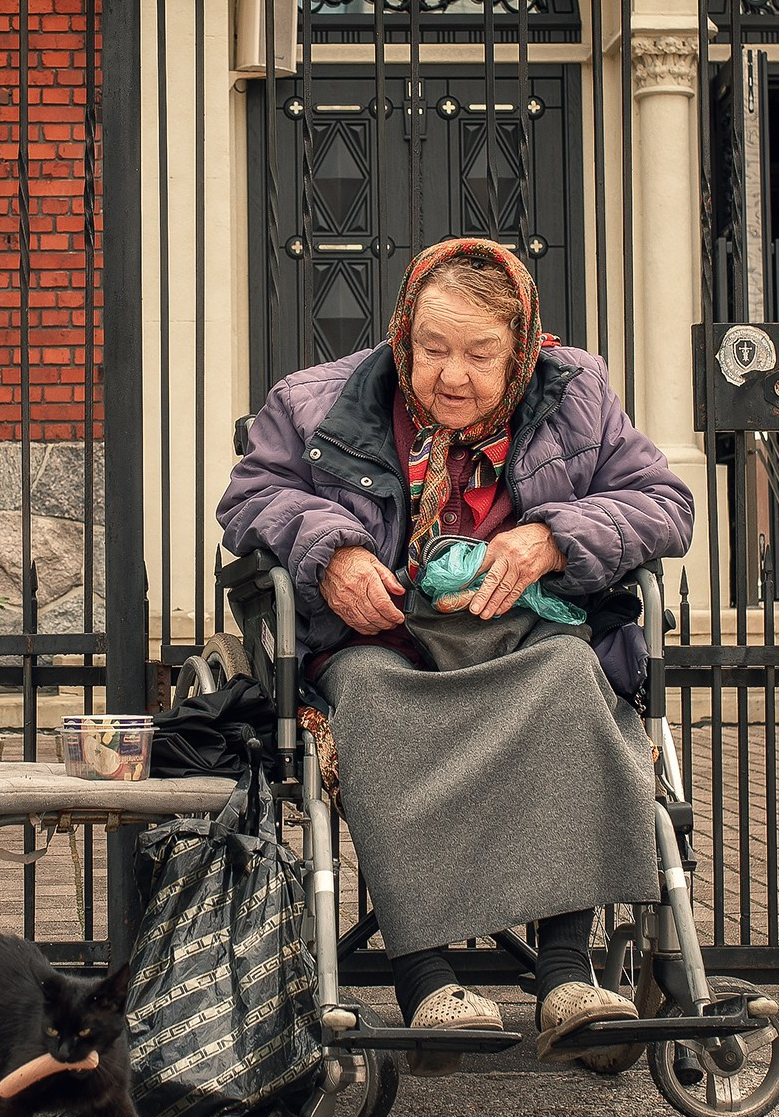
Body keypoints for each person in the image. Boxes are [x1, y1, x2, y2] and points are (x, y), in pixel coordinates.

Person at [217, 237, 692, 1074]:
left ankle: (566, 974)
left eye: (480, 353)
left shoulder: (578, 392)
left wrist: (553, 538)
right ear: (404, 333)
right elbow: (252, 497)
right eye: (433, 349)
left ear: (522, 348)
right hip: (385, 645)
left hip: (523, 640)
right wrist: (332, 551)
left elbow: (664, 502)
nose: (453, 376)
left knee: (572, 677)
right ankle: (425, 978)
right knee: (368, 691)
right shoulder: (313, 402)